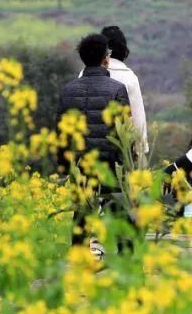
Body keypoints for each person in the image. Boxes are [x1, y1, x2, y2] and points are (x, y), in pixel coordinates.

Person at [59, 33, 131, 254]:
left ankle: (78, 254)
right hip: (109, 160)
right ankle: (125, 255)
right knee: (117, 207)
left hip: (80, 161)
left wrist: (64, 164)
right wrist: (127, 161)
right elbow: (124, 130)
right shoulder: (117, 89)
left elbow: (61, 132)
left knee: (82, 210)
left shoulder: (68, 91)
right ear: (105, 59)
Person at [91, 25, 149, 161]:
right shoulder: (129, 77)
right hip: (119, 150)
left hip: (90, 148)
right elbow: (137, 117)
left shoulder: (85, 73)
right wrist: (140, 150)